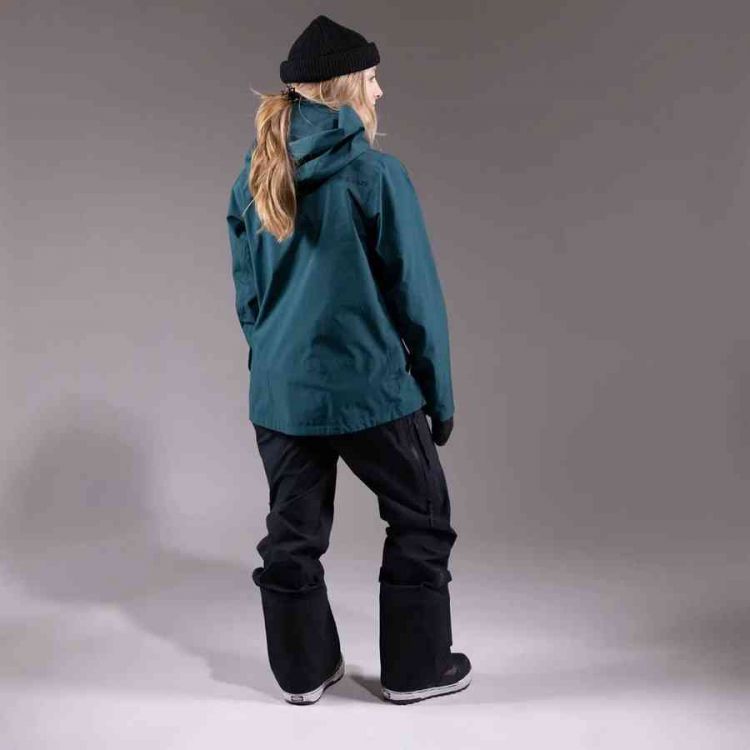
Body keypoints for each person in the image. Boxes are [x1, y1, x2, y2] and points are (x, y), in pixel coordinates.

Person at [226, 14, 471, 705]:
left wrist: (277, 364)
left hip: (281, 396)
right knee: (422, 518)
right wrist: (438, 397)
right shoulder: (375, 174)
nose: (380, 91)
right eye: (372, 78)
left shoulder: (252, 178)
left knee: (292, 535)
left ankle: (303, 672)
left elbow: (249, 300)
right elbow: (416, 296)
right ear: (342, 89)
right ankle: (416, 670)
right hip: (370, 391)